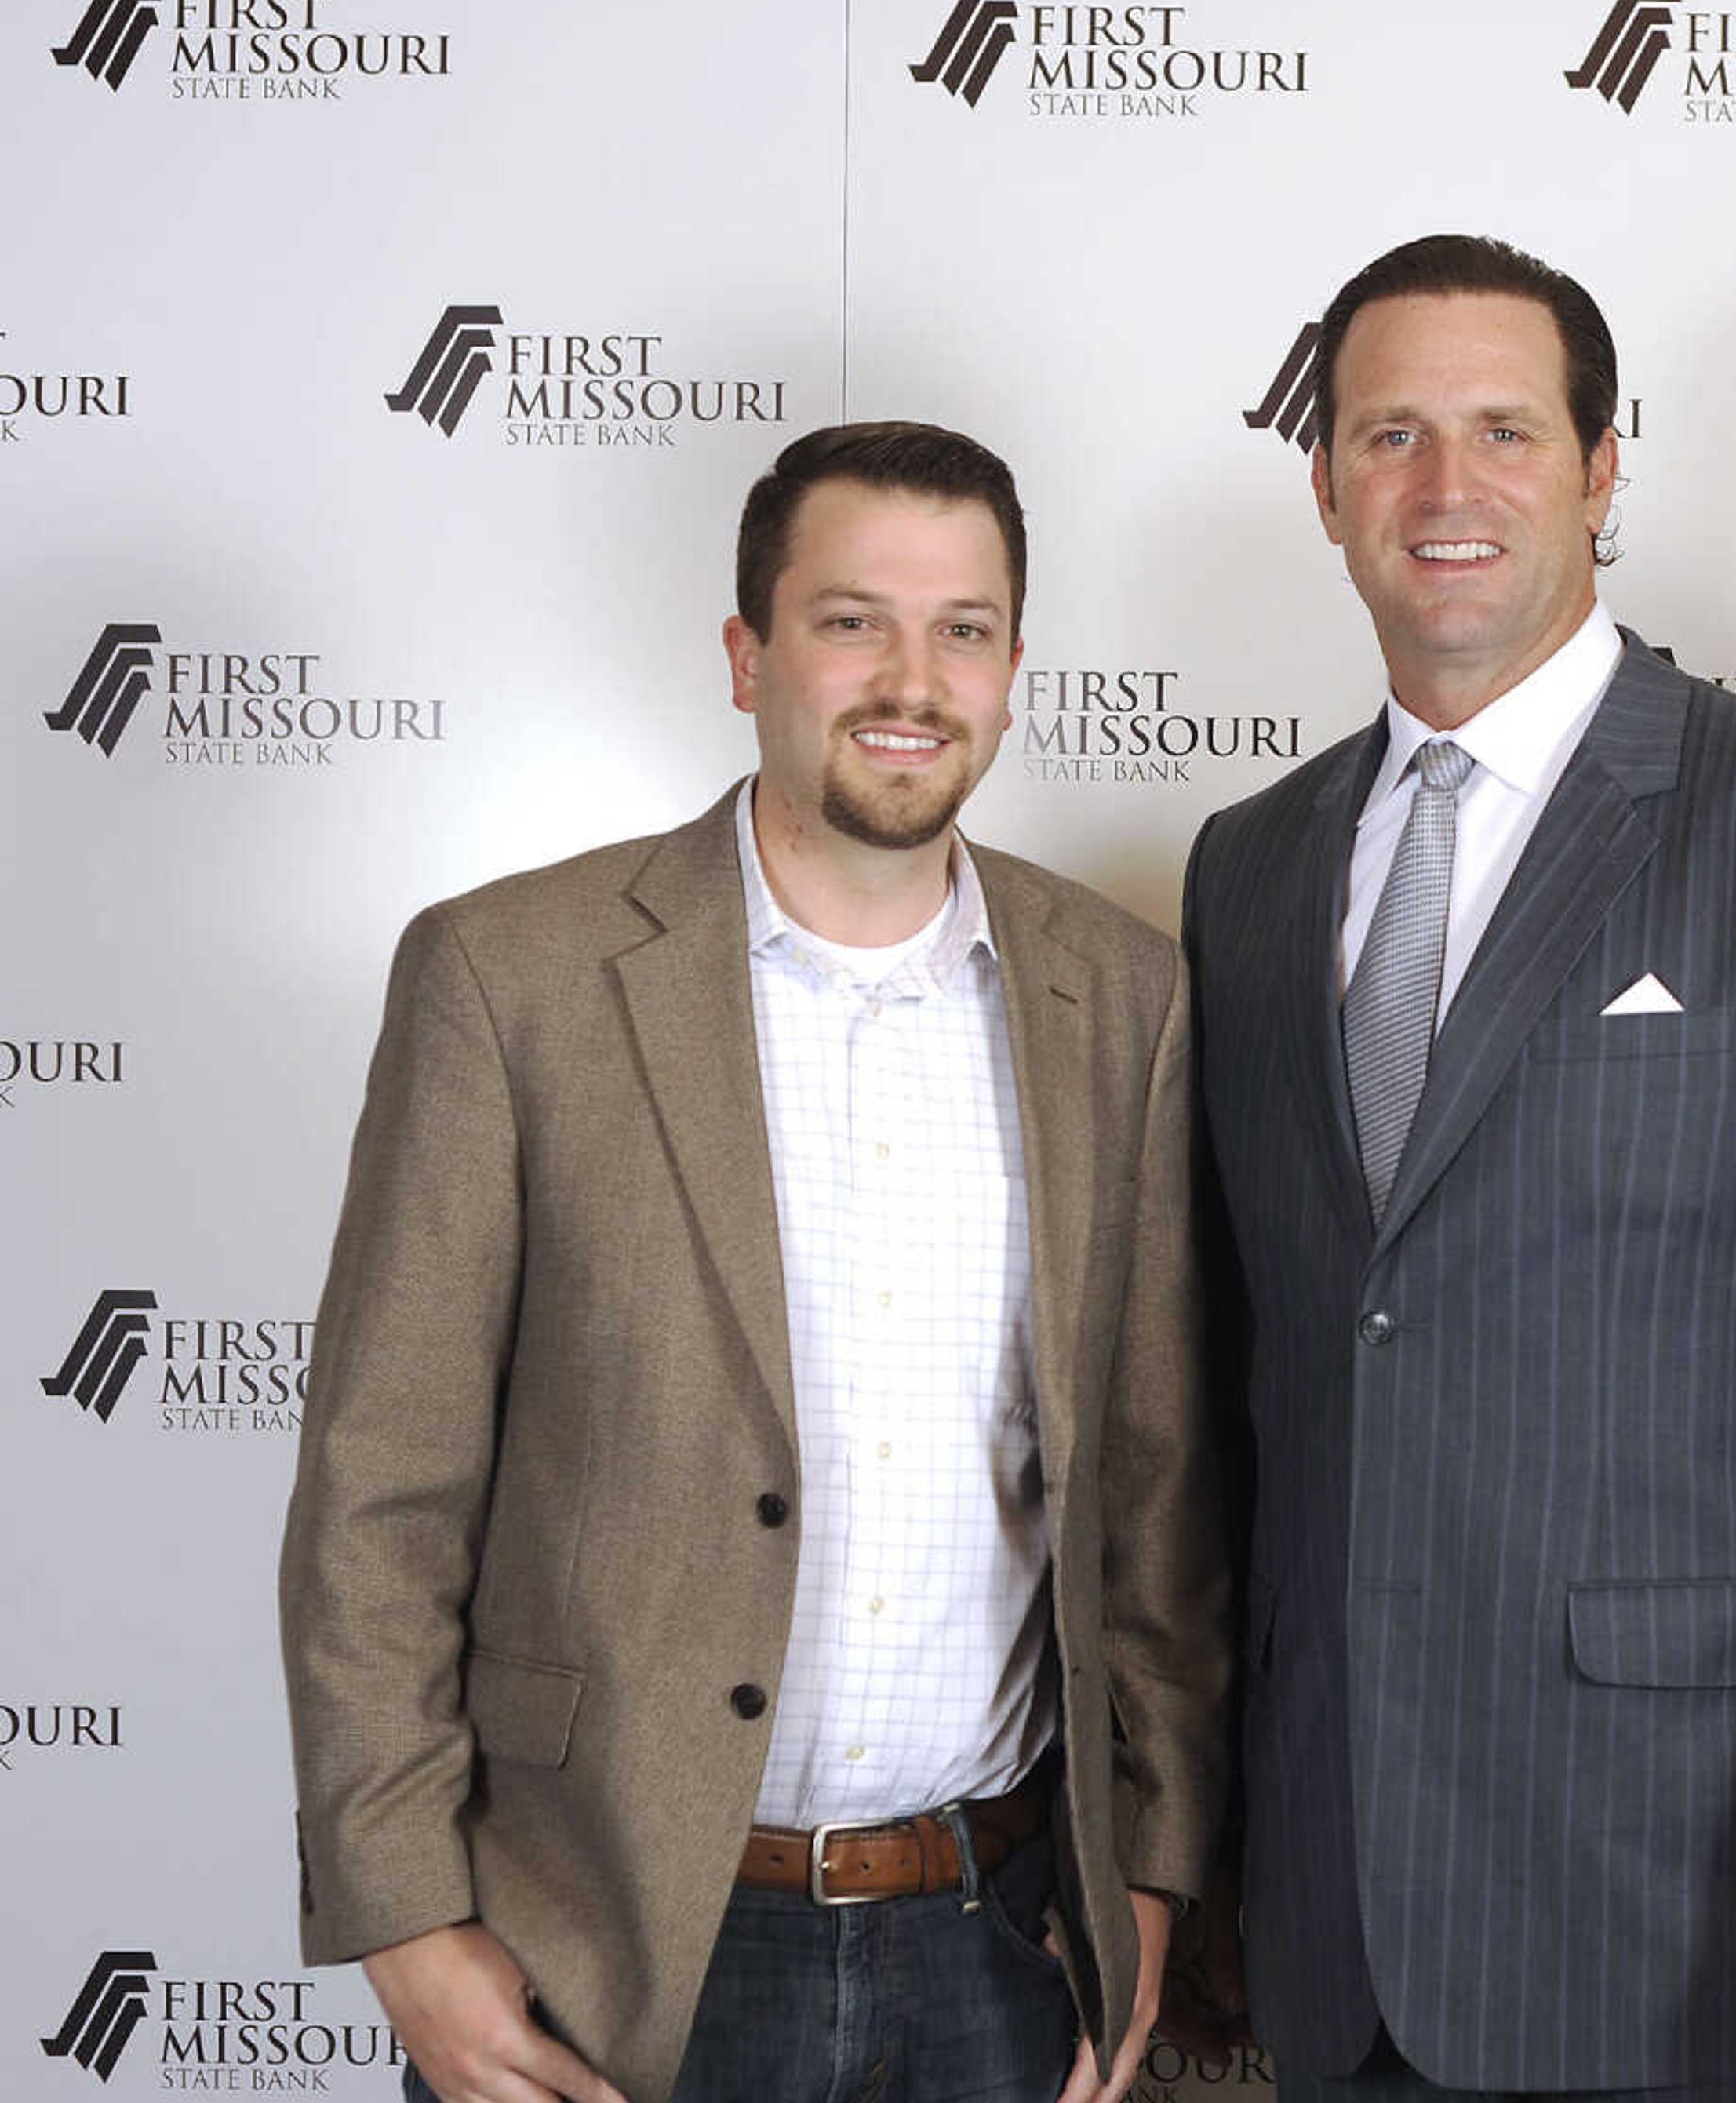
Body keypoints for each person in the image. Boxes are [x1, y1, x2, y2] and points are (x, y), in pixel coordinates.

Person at [1183, 233, 1736, 2103]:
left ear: (1599, 469)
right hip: (1337, 1928)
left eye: (1505, 428)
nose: (1446, 485)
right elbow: (1257, 1400)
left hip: (1697, 1926)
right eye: (1390, 433)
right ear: (1324, 481)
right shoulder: (1246, 868)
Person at [278, 421, 1228, 2103]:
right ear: (749, 654)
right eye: (853, 619)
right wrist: (405, 1910)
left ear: (1014, 669)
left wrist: (1144, 1877)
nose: (911, 679)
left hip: (996, 1955)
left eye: (965, 628)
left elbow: (1154, 1496)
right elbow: (382, 1491)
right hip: (607, 1952)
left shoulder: (1120, 998)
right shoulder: (513, 979)